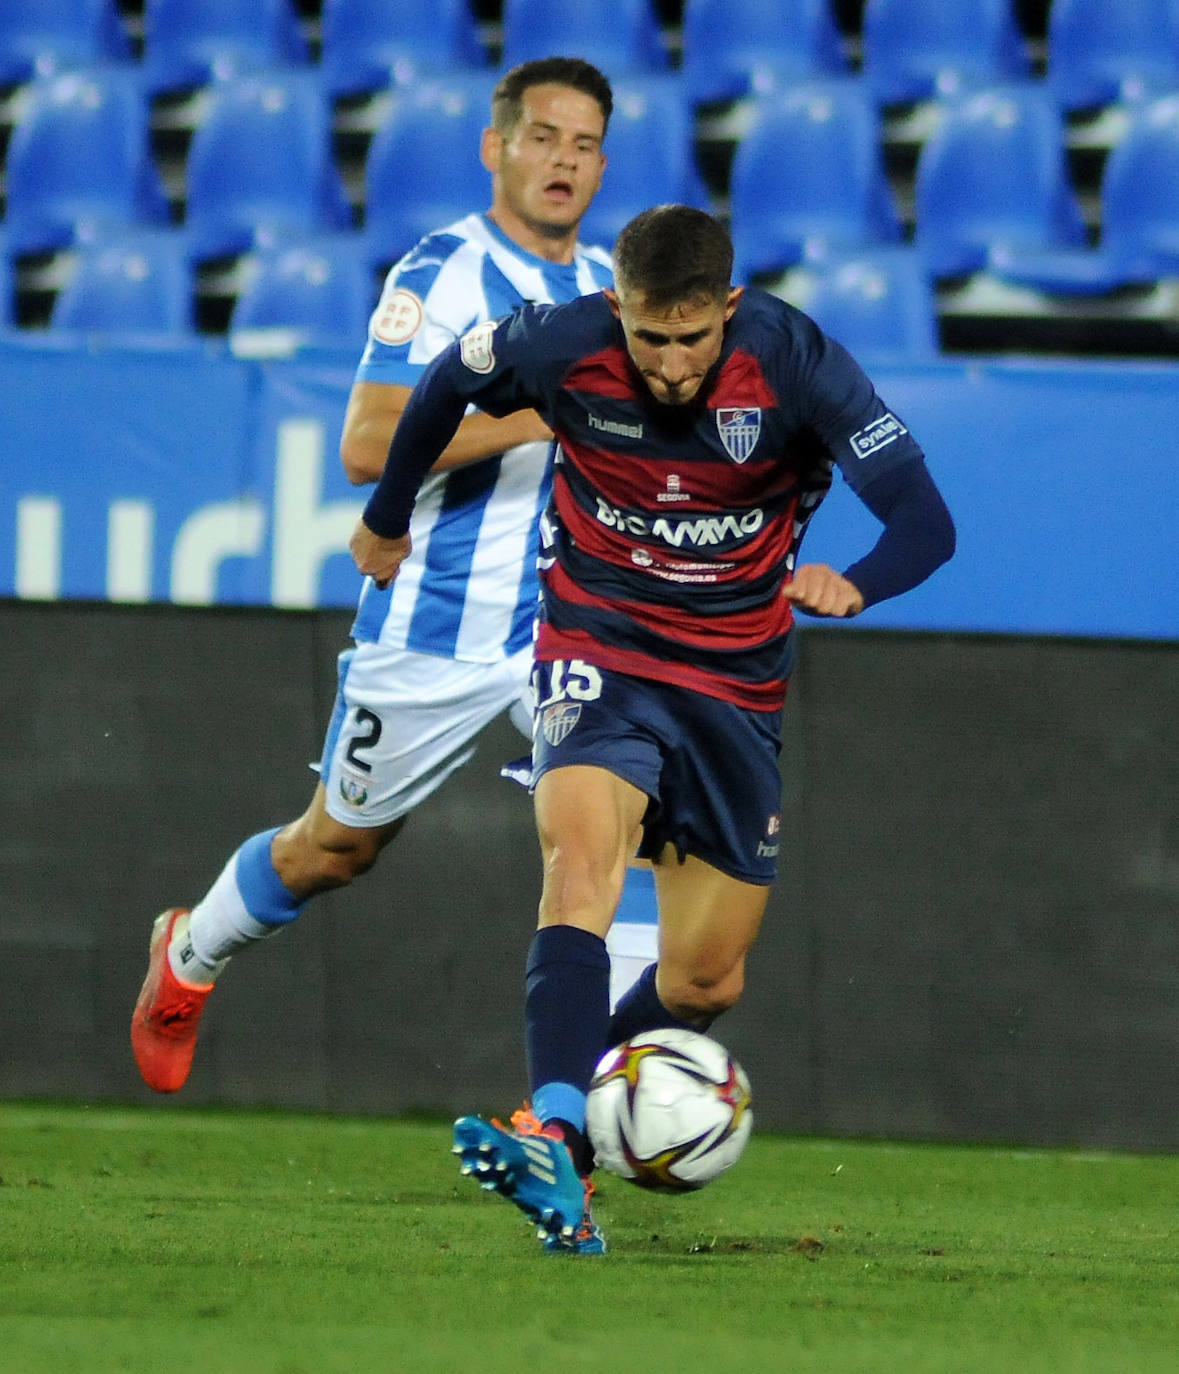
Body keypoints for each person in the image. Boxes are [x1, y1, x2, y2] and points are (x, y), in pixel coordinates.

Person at [349, 204, 957, 1255]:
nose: (671, 365)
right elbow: (447, 377)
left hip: (734, 681)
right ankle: (557, 1138)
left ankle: (571, 1135)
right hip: (600, 644)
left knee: (705, 980)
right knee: (579, 865)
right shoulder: (562, 341)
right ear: (616, 307)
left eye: (692, 337)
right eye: (648, 336)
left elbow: (926, 520)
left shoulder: (797, 360)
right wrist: (389, 514)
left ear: (728, 305)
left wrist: (855, 581)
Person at [130, 56, 660, 1094]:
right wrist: (542, 411)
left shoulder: (610, 288)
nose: (564, 159)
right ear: (494, 148)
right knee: (335, 847)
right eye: (543, 136)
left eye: (585, 143)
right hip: (434, 623)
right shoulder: (441, 274)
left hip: (567, 626)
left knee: (624, 833)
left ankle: (589, 1100)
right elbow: (370, 444)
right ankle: (189, 953)